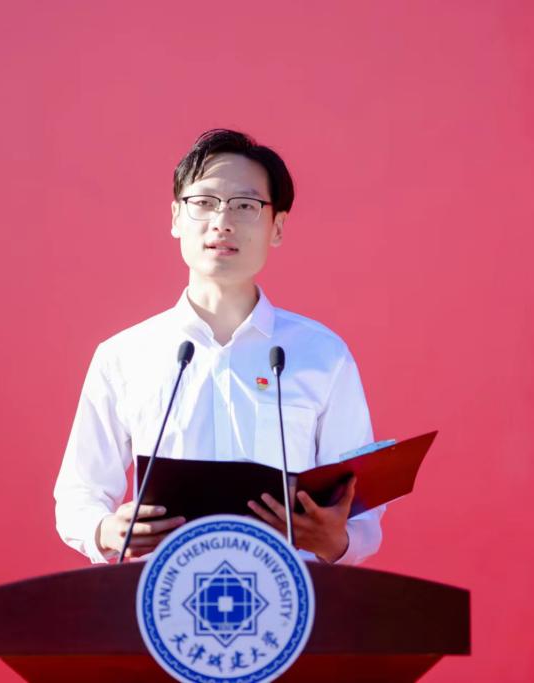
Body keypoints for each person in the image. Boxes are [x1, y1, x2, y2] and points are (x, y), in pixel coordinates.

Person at [54, 129, 383, 564]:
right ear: (176, 217)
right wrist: (104, 531)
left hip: (287, 594)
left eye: (245, 205)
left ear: (277, 227)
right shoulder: (124, 356)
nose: (222, 221)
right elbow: (79, 494)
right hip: (163, 594)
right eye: (204, 202)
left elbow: (363, 516)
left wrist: (334, 541)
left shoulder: (322, 355)